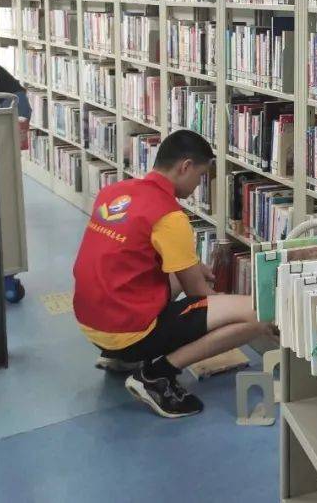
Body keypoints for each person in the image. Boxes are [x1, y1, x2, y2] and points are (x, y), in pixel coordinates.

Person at [72, 130, 275, 418]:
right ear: (185, 167)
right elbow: (199, 296)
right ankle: (157, 376)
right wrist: (227, 305)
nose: (197, 185)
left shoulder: (114, 191)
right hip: (127, 332)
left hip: (91, 323)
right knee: (258, 315)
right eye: (200, 176)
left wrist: (192, 269)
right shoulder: (169, 216)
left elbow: (124, 257)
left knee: (186, 271)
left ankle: (118, 359)